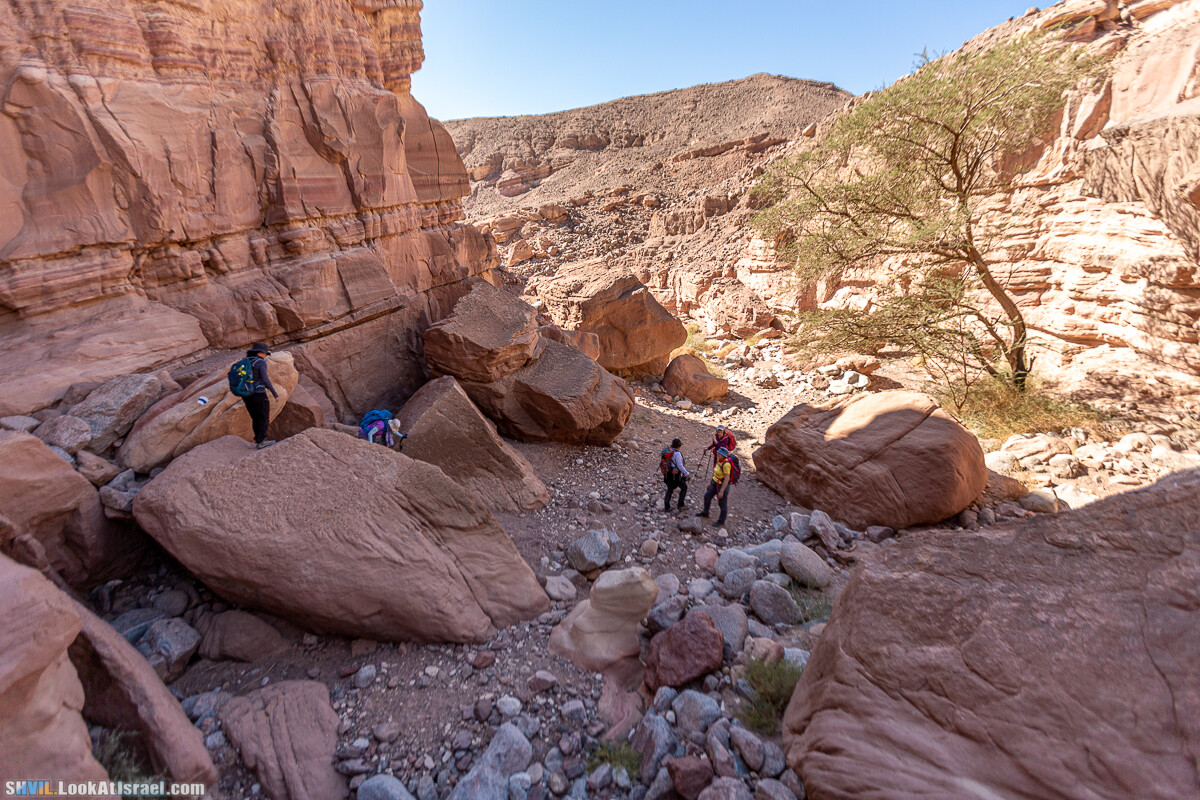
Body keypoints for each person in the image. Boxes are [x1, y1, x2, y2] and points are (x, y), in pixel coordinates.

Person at [240, 343, 279, 449]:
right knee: (263, 417)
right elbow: (265, 379)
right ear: (261, 353)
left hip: (246, 394)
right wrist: (274, 393)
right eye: (265, 353)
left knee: (255, 417)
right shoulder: (260, 362)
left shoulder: (245, 361)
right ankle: (261, 441)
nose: (266, 355)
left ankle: (258, 439)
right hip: (258, 393)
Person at [698, 447, 733, 526]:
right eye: (718, 453)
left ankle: (721, 521)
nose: (718, 454)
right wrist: (710, 482)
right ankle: (705, 512)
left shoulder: (726, 464)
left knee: (722, 503)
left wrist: (721, 491)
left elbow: (726, 479)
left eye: (720, 453)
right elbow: (715, 472)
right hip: (714, 482)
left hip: (722, 485)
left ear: (724, 455)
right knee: (707, 496)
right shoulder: (719, 460)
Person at [662, 438, 690, 513]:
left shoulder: (669, 450)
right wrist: (687, 473)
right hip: (675, 475)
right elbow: (680, 466)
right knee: (684, 487)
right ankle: (680, 504)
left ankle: (667, 506)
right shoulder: (677, 453)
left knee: (670, 489)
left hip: (668, 473)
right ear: (679, 446)